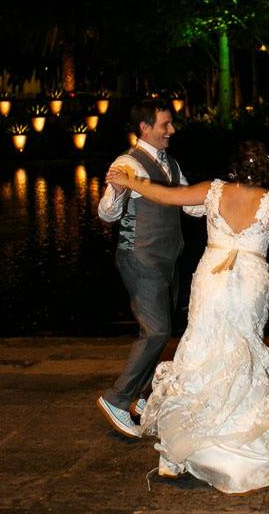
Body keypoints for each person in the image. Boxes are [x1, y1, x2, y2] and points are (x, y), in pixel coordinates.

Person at [106, 141, 269, 494]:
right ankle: (235, 446)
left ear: (234, 168)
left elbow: (167, 196)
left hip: (211, 279)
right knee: (239, 353)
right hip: (249, 283)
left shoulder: (213, 191)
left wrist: (131, 181)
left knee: (199, 351)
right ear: (266, 170)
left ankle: (174, 455)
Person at [96, 98, 205, 439]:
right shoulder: (128, 162)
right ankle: (118, 398)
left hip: (167, 257)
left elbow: (189, 203)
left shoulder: (168, 162)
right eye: (165, 125)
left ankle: (141, 397)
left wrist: (223, 200)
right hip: (140, 256)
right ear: (145, 127)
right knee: (156, 330)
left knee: (162, 328)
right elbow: (107, 214)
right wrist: (115, 191)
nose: (171, 130)